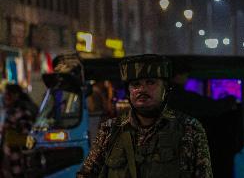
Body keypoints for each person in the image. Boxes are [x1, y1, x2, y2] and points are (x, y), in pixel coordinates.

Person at [77, 54, 213, 178]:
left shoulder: (189, 128)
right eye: (136, 84)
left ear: (165, 88)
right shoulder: (110, 129)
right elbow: (86, 175)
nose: (142, 89)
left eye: (151, 82)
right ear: (128, 91)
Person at [1, 84, 38, 178]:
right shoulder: (12, 110)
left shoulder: (21, 110)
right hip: (12, 161)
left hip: (19, 162)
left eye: (8, 94)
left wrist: (8, 134)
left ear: (16, 95)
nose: (5, 97)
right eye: (5, 94)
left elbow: (28, 138)